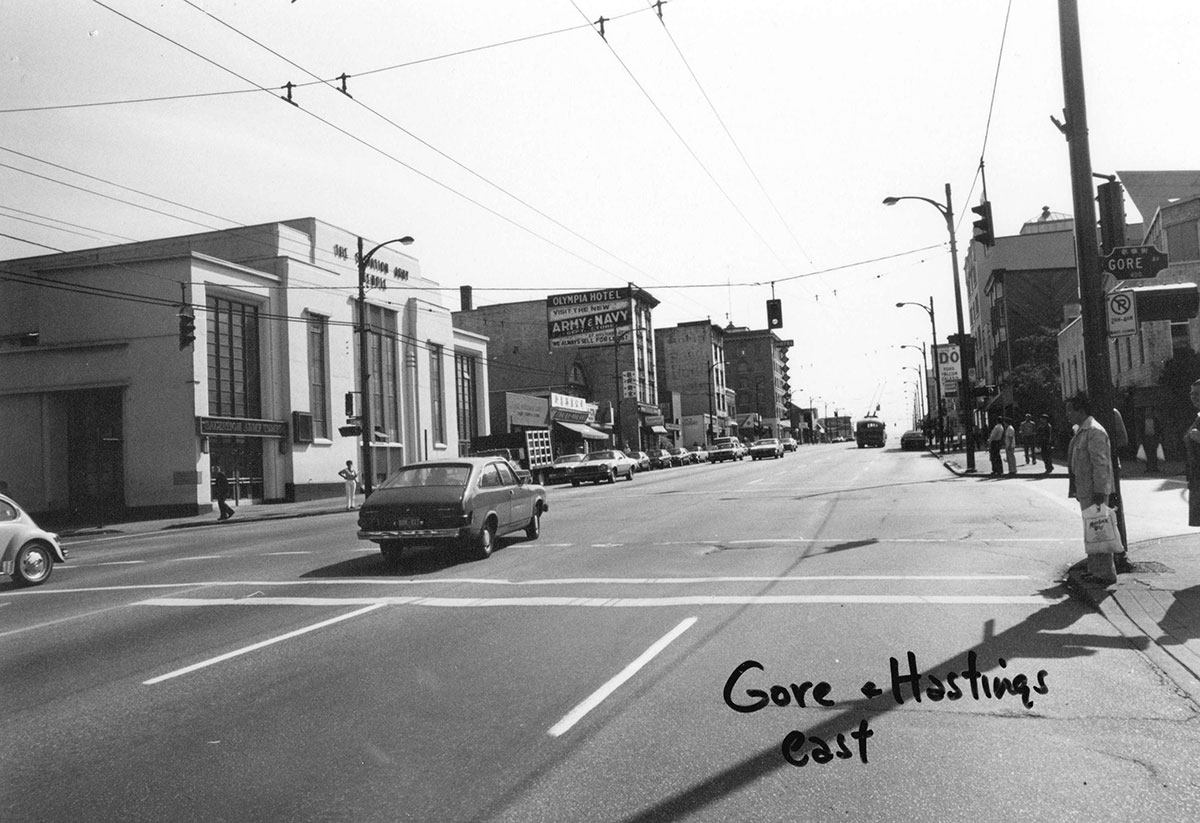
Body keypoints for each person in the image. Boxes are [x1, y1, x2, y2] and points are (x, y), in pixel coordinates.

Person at [1065, 392, 1117, 583]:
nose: (1068, 414)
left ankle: (1105, 574)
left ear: (1081, 410)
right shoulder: (1082, 431)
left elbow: (1100, 464)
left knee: (1100, 532)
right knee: (1092, 531)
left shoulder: (1094, 431)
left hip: (1095, 492)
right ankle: (1095, 570)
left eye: (1070, 410)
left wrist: (1100, 491)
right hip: (1086, 489)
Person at [1185, 379, 1200, 528]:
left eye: (1197, 394)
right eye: (1191, 393)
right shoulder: (1198, 417)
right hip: (1196, 477)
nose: (1192, 396)